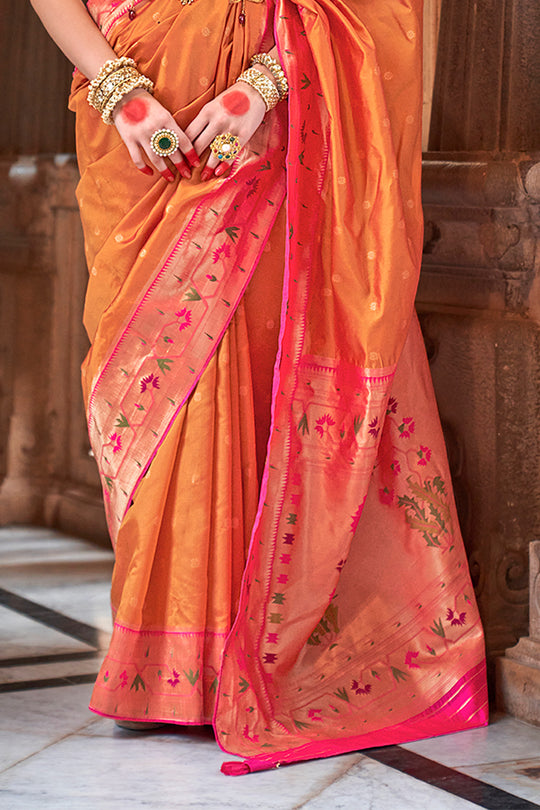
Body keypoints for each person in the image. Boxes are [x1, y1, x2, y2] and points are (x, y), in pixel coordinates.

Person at [30, 0, 488, 775]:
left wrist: (265, 86)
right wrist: (118, 89)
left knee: (238, 373)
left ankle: (231, 659)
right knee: (147, 399)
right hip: (132, 123)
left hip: (258, 130)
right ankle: (163, 658)